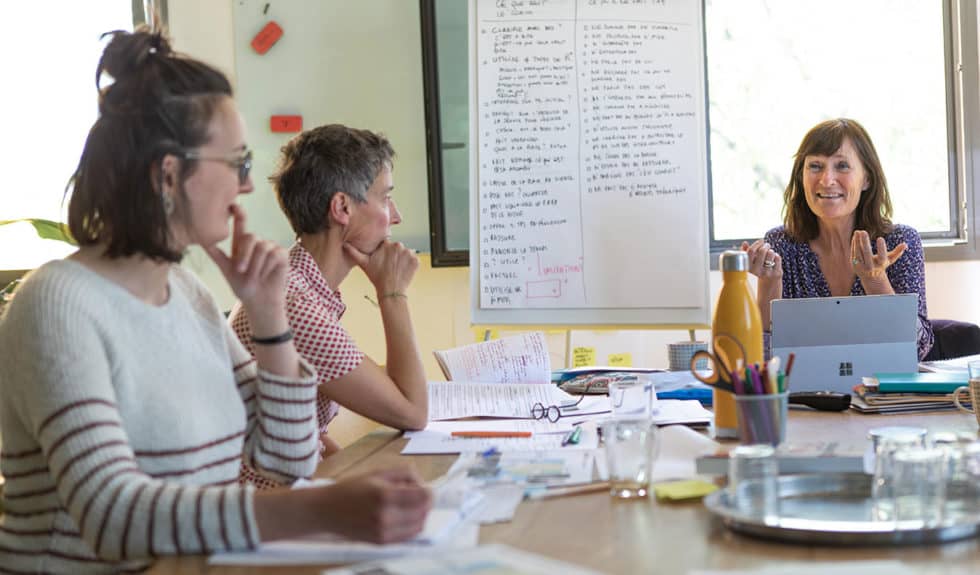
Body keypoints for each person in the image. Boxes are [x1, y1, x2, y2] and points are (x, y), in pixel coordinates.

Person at [0, 29, 430, 573]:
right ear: (169, 174)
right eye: (237, 164)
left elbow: (288, 459)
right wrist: (316, 509)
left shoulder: (188, 296)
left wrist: (271, 319)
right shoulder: (57, 304)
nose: (246, 186)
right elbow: (110, 516)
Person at [229, 125, 427, 488]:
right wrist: (392, 292)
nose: (396, 215)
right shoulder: (295, 306)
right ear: (342, 208)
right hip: (266, 511)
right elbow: (413, 412)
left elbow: (314, 432)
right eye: (385, 197)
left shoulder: (299, 284)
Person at [742, 118, 933, 360]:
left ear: (867, 179)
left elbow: (918, 349)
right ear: (801, 177)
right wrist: (769, 285)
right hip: (808, 385)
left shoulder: (900, 241)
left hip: (880, 383)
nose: (827, 180)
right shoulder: (781, 245)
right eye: (815, 166)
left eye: (842, 166)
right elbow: (764, 359)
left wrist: (875, 281)